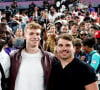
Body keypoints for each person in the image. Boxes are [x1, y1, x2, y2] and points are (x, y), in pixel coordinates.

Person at [10, 22, 55, 90]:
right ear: (24, 36)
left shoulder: (50, 58)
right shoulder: (13, 56)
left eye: (37, 34)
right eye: (31, 34)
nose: (35, 37)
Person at [0, 22, 10, 90]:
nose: (4, 35)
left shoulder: (6, 58)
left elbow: (5, 80)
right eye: (1, 32)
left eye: (6, 33)